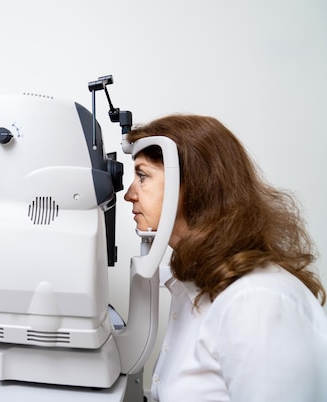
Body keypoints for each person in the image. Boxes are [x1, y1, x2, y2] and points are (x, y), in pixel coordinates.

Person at [123, 114, 327, 401]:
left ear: (192, 184)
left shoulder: (257, 301)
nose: (128, 194)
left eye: (142, 176)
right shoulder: (190, 290)